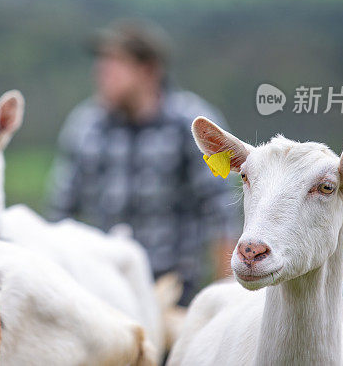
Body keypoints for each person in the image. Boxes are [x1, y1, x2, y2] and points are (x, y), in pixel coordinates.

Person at [47, 19, 239, 305]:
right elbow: (59, 215)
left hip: (175, 290)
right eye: (101, 62)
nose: (101, 72)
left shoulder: (194, 124)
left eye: (114, 62)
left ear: (148, 70)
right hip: (103, 288)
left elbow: (222, 215)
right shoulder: (85, 126)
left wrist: (226, 300)